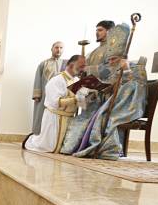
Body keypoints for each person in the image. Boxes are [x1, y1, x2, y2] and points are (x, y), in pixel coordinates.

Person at [60, 23, 148, 159]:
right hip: (110, 102)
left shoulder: (136, 67)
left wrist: (127, 71)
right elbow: (110, 85)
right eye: (110, 59)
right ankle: (77, 147)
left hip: (127, 105)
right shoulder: (114, 68)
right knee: (85, 116)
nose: (111, 62)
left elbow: (138, 88)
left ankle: (109, 150)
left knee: (104, 118)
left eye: (114, 59)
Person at [24, 55, 85, 152]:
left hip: (69, 117)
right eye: (81, 66)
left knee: (66, 148)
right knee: (49, 147)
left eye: (84, 66)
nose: (83, 69)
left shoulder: (77, 81)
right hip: (55, 118)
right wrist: (75, 99)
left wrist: (88, 97)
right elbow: (56, 102)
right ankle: (30, 140)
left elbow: (81, 102)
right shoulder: (57, 80)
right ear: (70, 65)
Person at [32, 41, 66, 135]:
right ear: (52, 49)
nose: (58, 50)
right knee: (41, 115)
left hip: (60, 96)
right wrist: (37, 95)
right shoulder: (44, 64)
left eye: (61, 48)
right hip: (45, 95)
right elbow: (38, 79)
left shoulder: (66, 64)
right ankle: (38, 135)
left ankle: (54, 137)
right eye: (56, 47)